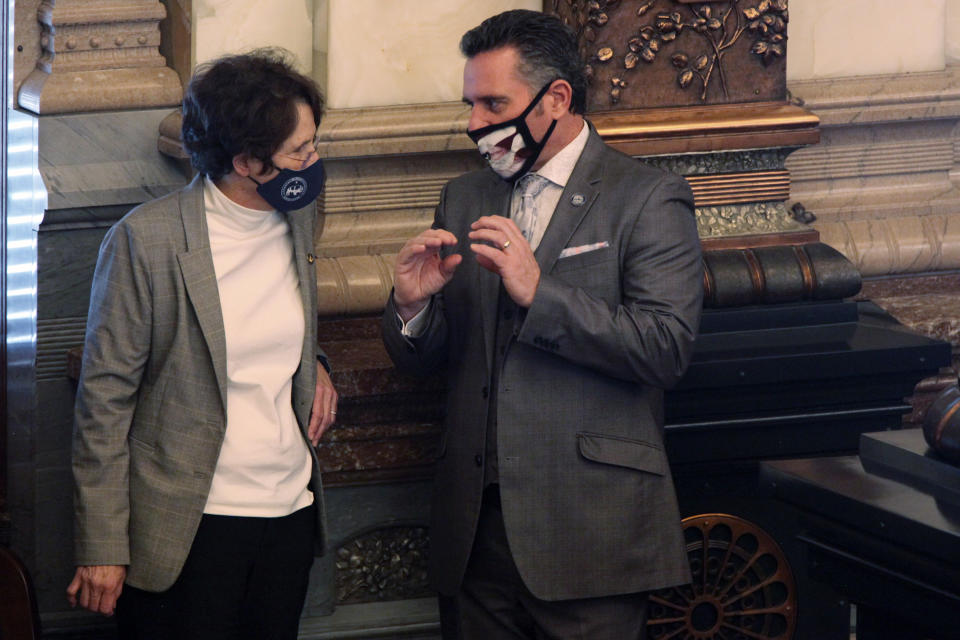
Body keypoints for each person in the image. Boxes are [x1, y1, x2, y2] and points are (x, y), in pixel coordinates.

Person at [382, 10, 703, 639]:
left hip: (588, 532)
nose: (475, 123)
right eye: (471, 103)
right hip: (474, 531)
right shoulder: (464, 196)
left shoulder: (647, 197)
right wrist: (413, 309)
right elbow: (439, 358)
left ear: (557, 97)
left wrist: (541, 294)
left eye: (493, 102)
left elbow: (665, 349)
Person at [66, 49, 337, 639]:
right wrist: (103, 546)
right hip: (190, 523)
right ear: (245, 161)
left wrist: (313, 362)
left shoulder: (301, 214)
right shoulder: (148, 240)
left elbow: (274, 322)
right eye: (300, 152)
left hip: (288, 511)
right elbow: (103, 403)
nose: (314, 162)